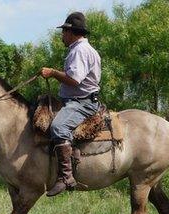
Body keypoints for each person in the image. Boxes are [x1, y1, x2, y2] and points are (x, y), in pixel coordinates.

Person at [40, 12, 101, 197]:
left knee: (58, 127)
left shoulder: (80, 50)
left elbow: (74, 80)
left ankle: (66, 177)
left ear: (71, 32)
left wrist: (52, 73)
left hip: (82, 103)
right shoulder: (80, 49)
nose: (62, 35)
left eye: (64, 31)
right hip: (76, 100)